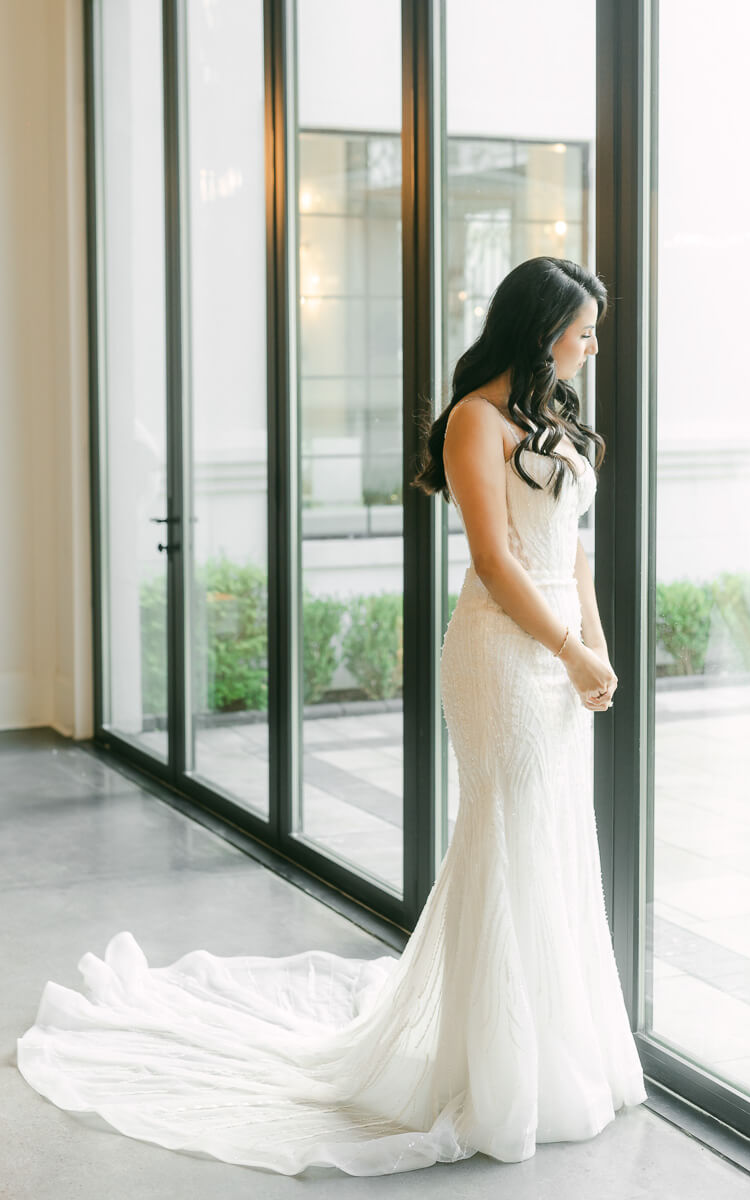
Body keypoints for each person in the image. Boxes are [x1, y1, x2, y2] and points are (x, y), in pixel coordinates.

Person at [16, 256, 647, 1177]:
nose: (592, 345)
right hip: (503, 658)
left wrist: (598, 649)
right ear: (541, 325)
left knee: (553, 839)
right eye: (583, 329)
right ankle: (494, 1065)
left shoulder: (552, 420)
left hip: (558, 657)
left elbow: (571, 552)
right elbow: (497, 564)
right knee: (503, 840)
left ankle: (558, 1050)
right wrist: (569, 650)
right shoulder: (475, 420)